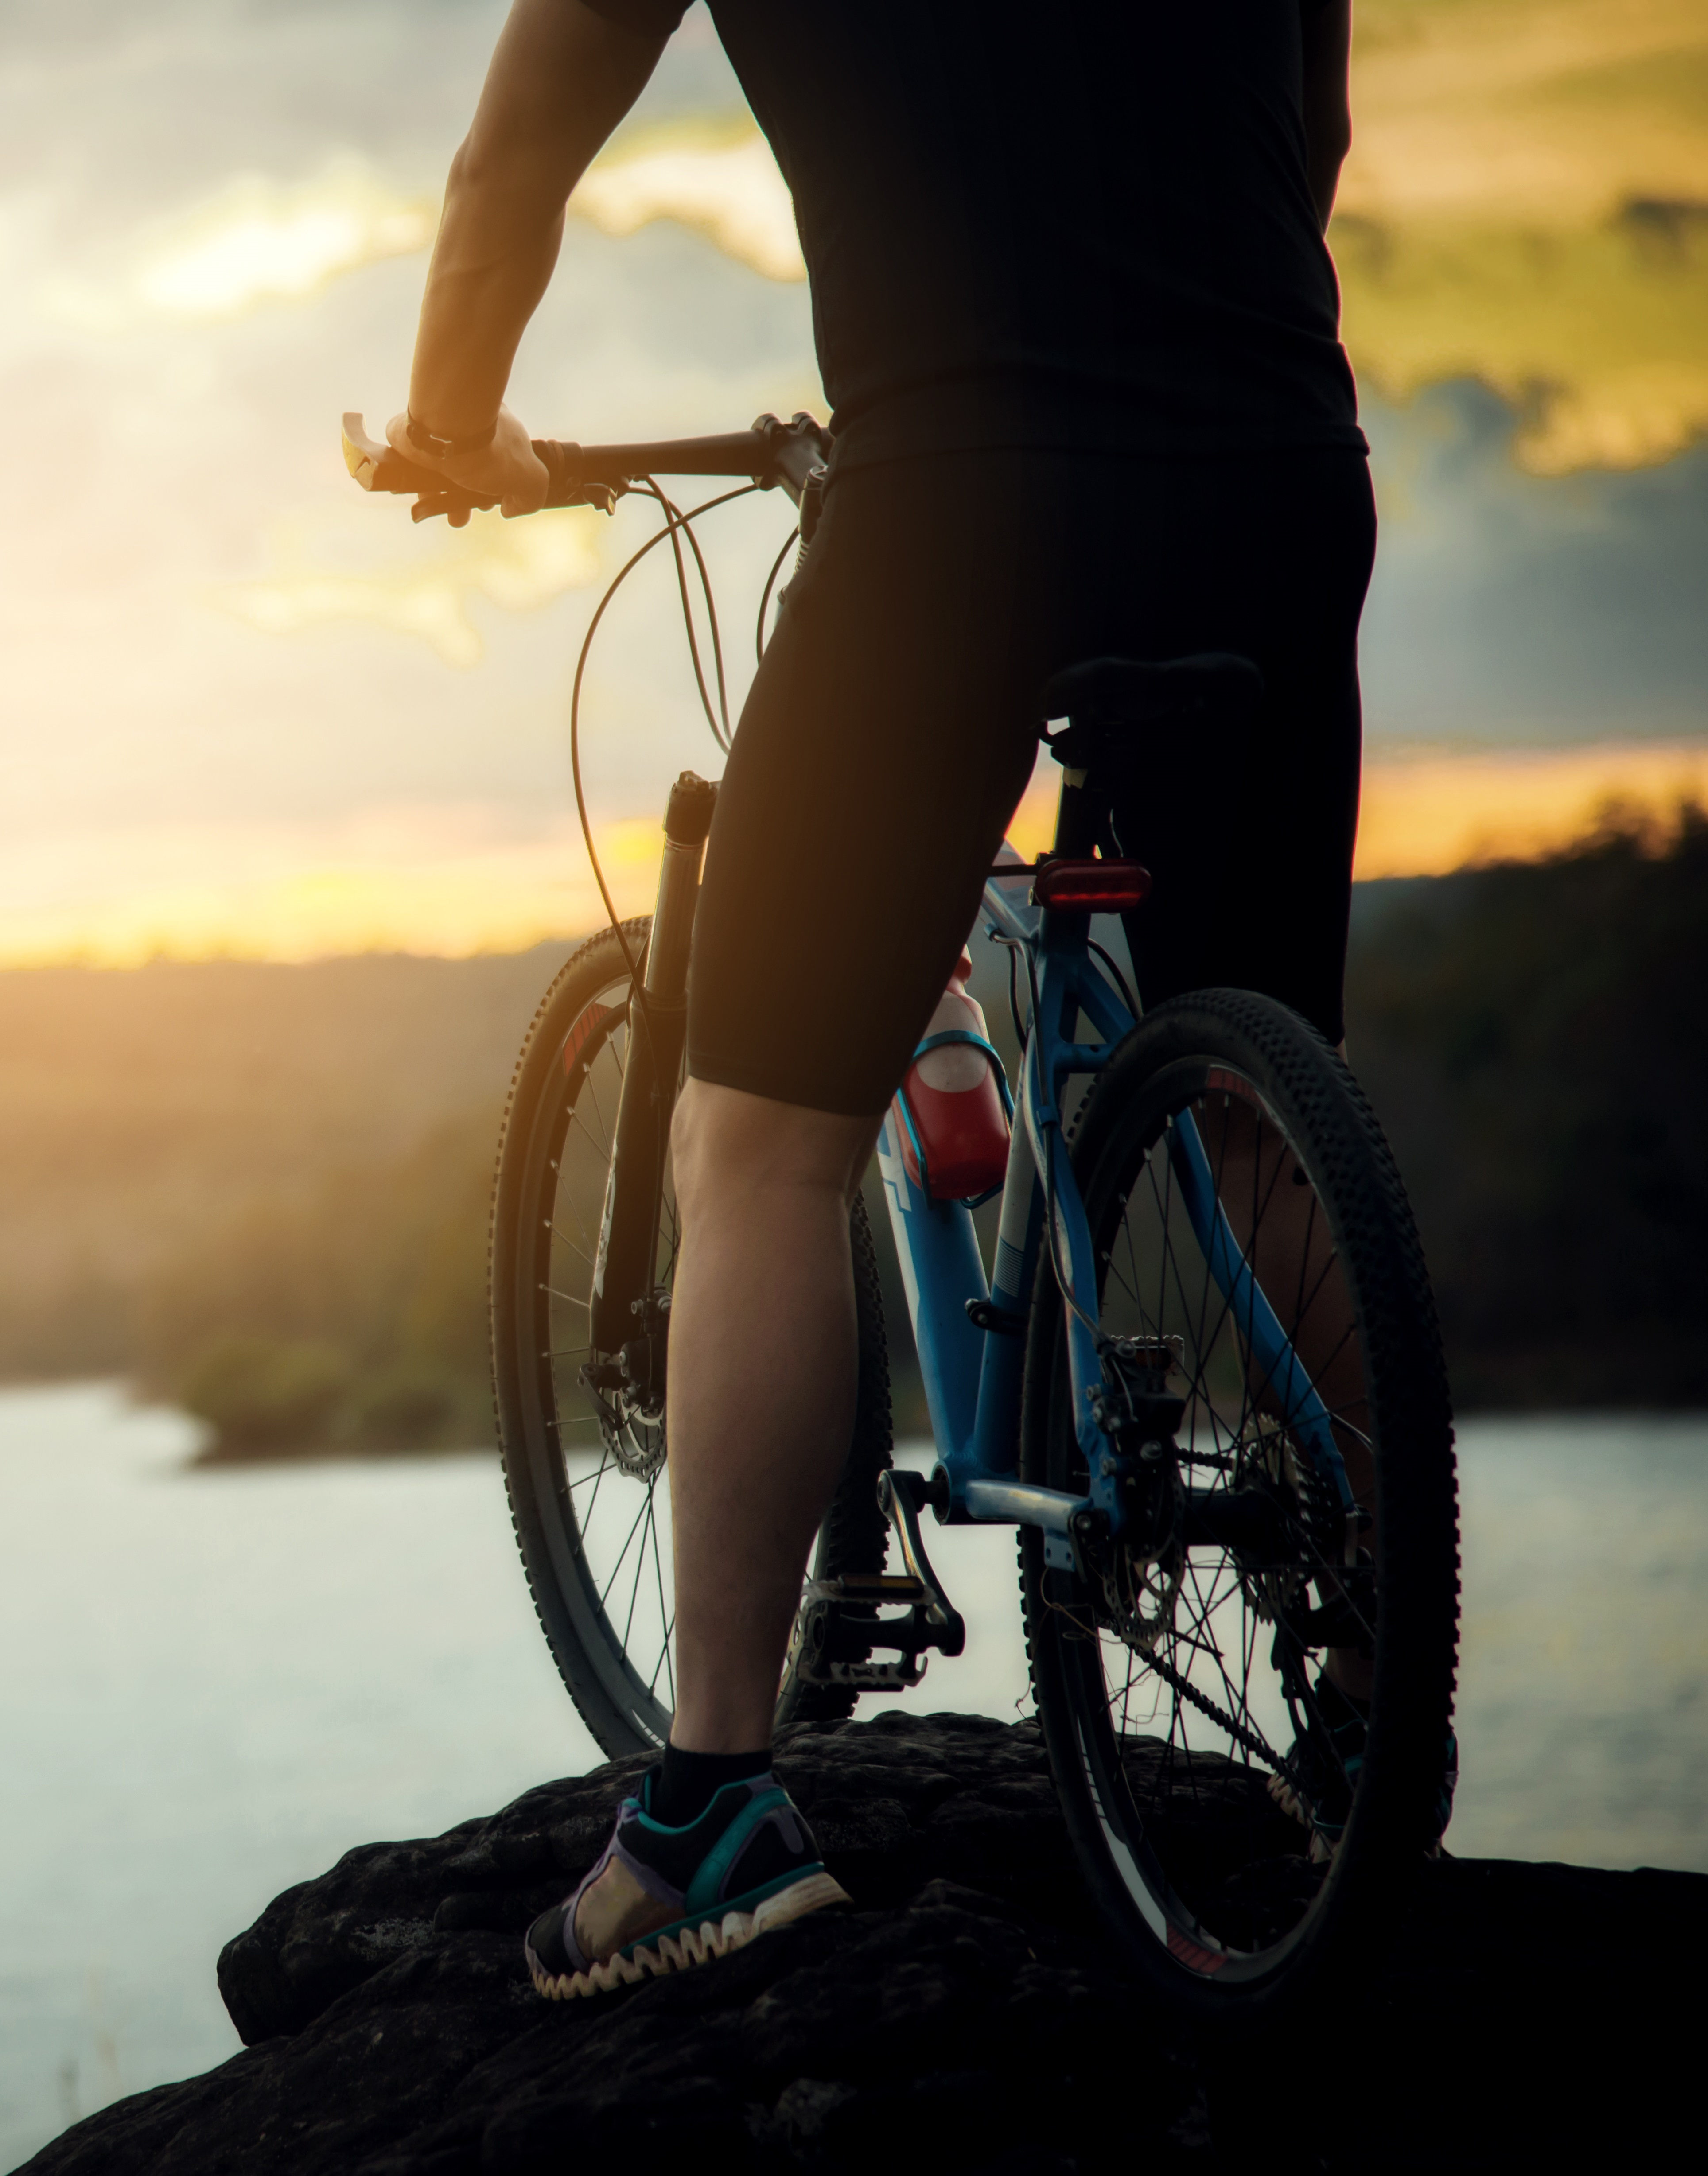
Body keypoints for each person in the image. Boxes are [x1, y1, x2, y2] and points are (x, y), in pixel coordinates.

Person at [387, 0, 1369, 1997]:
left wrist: (448, 422)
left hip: (961, 500)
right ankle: (1375, 1658)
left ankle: (706, 1814)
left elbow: (506, 175)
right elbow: (1316, 122)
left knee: (753, 1136)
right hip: (1275, 462)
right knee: (1269, 1125)